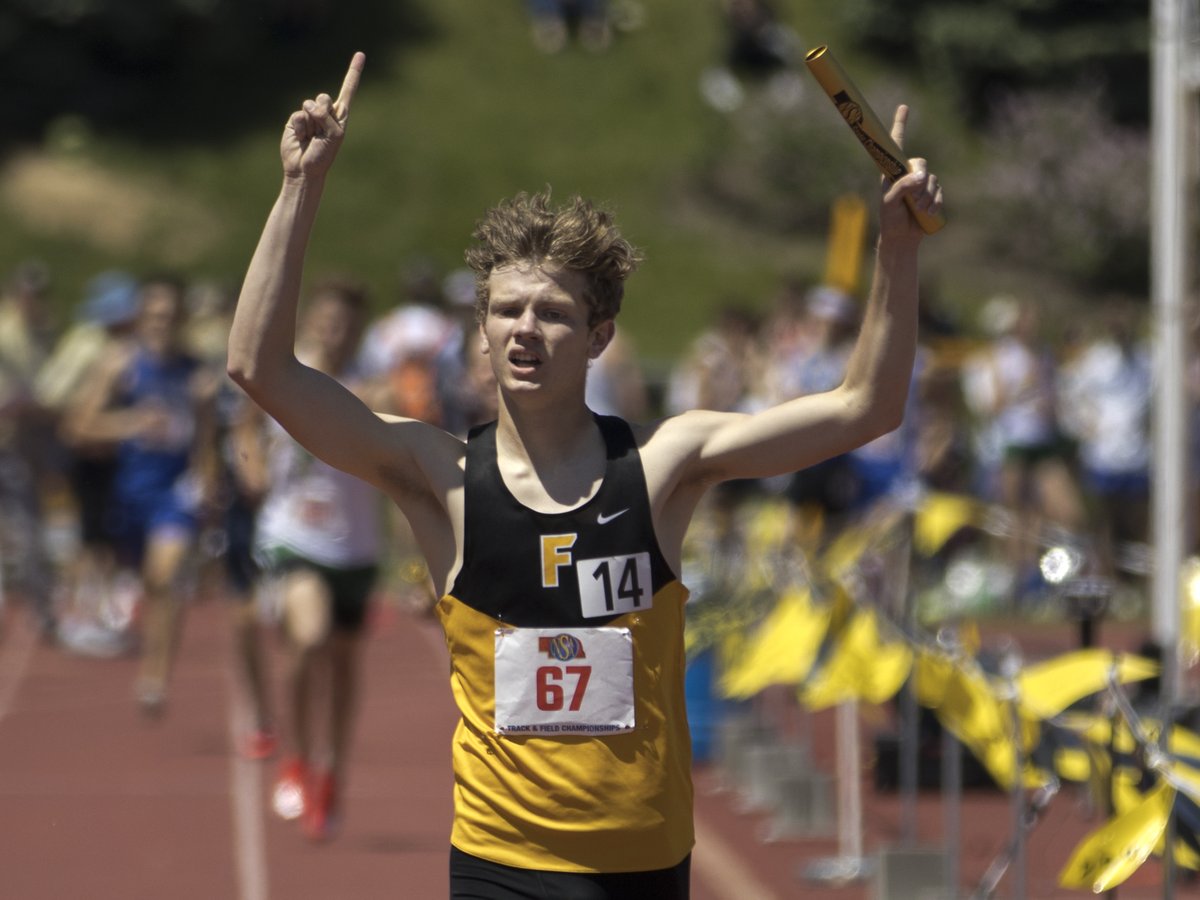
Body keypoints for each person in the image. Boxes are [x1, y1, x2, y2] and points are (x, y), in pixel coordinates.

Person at [227, 52, 941, 897]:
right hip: (502, 866)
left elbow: (866, 406)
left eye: (553, 313)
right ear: (482, 332)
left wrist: (896, 248)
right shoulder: (441, 479)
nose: (525, 330)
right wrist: (299, 189)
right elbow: (259, 369)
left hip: (641, 869)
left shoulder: (664, 465)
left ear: (600, 336)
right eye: (505, 310)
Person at [247, 276, 384, 841]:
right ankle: (296, 757)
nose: (336, 330)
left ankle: (333, 769)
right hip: (291, 537)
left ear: (358, 333)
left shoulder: (373, 390)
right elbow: (243, 422)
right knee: (308, 636)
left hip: (354, 546)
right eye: (328, 319)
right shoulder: (284, 377)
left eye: (348, 324)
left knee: (346, 664)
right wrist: (250, 465)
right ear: (311, 321)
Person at [63, 274, 219, 715]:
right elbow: (77, 426)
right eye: (152, 316)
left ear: (183, 319)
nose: (160, 324)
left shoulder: (197, 375)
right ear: (139, 318)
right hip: (124, 490)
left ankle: (154, 677)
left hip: (173, 493)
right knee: (138, 577)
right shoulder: (119, 365)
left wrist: (206, 482)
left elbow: (207, 442)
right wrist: (130, 423)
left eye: (170, 316)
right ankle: (105, 619)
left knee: (165, 577)